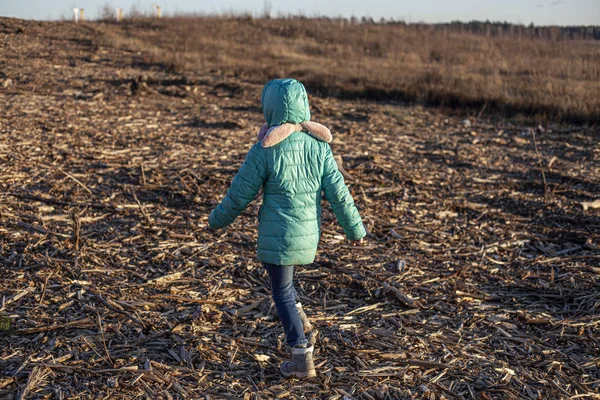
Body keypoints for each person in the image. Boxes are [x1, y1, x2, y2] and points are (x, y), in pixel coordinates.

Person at [208, 78, 366, 379]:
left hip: (277, 236)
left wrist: (216, 220)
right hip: (307, 235)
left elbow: (239, 195)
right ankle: (303, 325)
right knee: (285, 287)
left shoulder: (265, 148)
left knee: (280, 292)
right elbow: (339, 192)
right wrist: (355, 229)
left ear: (270, 109)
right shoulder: (319, 147)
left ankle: (301, 356)